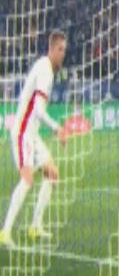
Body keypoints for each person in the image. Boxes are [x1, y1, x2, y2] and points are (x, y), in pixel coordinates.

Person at [0, 30, 68, 248]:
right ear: (52, 49)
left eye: (64, 50)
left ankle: (35, 226)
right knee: (28, 180)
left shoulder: (45, 68)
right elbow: (38, 110)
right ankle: (5, 232)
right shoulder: (45, 70)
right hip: (22, 132)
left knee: (52, 173)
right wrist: (57, 128)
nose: (63, 54)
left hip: (32, 134)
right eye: (60, 49)